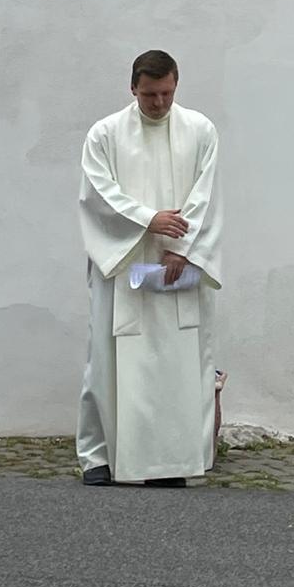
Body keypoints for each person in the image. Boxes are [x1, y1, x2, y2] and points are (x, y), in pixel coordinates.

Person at [76, 49, 222, 487]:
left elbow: (207, 194)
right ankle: (100, 457)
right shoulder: (104, 134)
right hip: (123, 266)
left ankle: (171, 461)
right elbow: (97, 194)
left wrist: (182, 247)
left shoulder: (200, 130)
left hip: (177, 266)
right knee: (107, 362)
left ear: (176, 85)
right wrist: (147, 219)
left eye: (166, 94)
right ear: (132, 88)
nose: (158, 103)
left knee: (176, 365)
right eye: (149, 95)